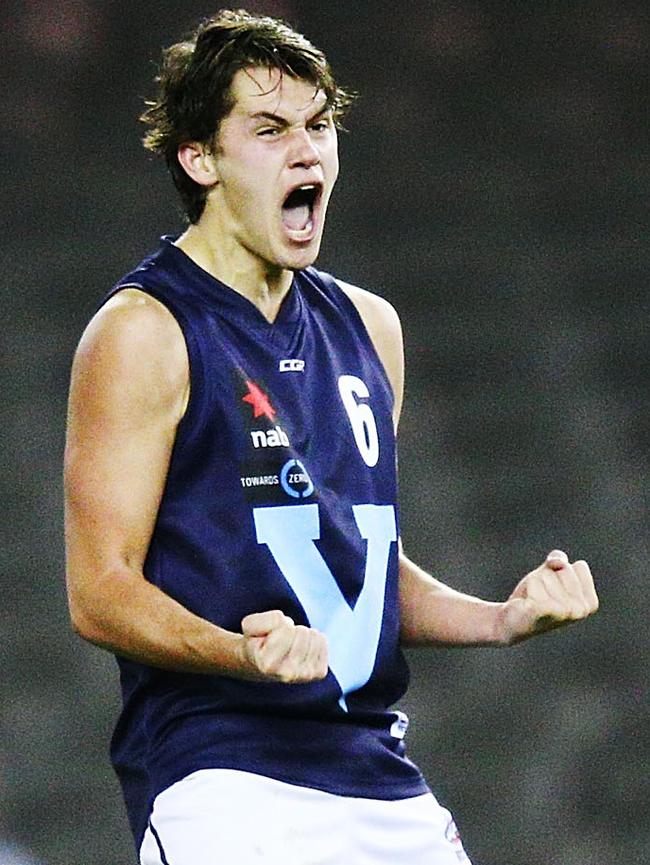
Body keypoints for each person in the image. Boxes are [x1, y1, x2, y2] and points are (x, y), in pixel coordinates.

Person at [63, 9, 599, 865]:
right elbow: (98, 590)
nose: (306, 151)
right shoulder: (146, 331)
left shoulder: (370, 329)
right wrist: (239, 651)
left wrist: (500, 617)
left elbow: (359, 562)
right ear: (198, 157)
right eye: (270, 130)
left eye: (319, 126)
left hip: (379, 772)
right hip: (226, 775)